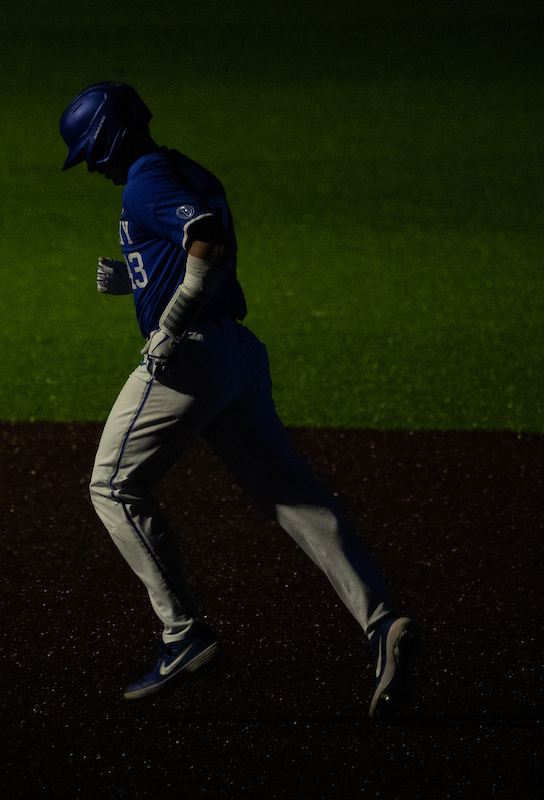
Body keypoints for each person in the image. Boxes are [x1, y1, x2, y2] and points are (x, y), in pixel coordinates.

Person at [58, 81, 419, 718]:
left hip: (193, 355)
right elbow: (195, 246)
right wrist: (134, 283)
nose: (93, 166)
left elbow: (203, 241)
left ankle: (182, 634)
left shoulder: (143, 177)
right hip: (237, 354)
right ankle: (380, 622)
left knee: (111, 486)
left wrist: (166, 325)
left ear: (110, 135)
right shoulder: (182, 167)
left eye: (91, 152)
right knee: (292, 494)